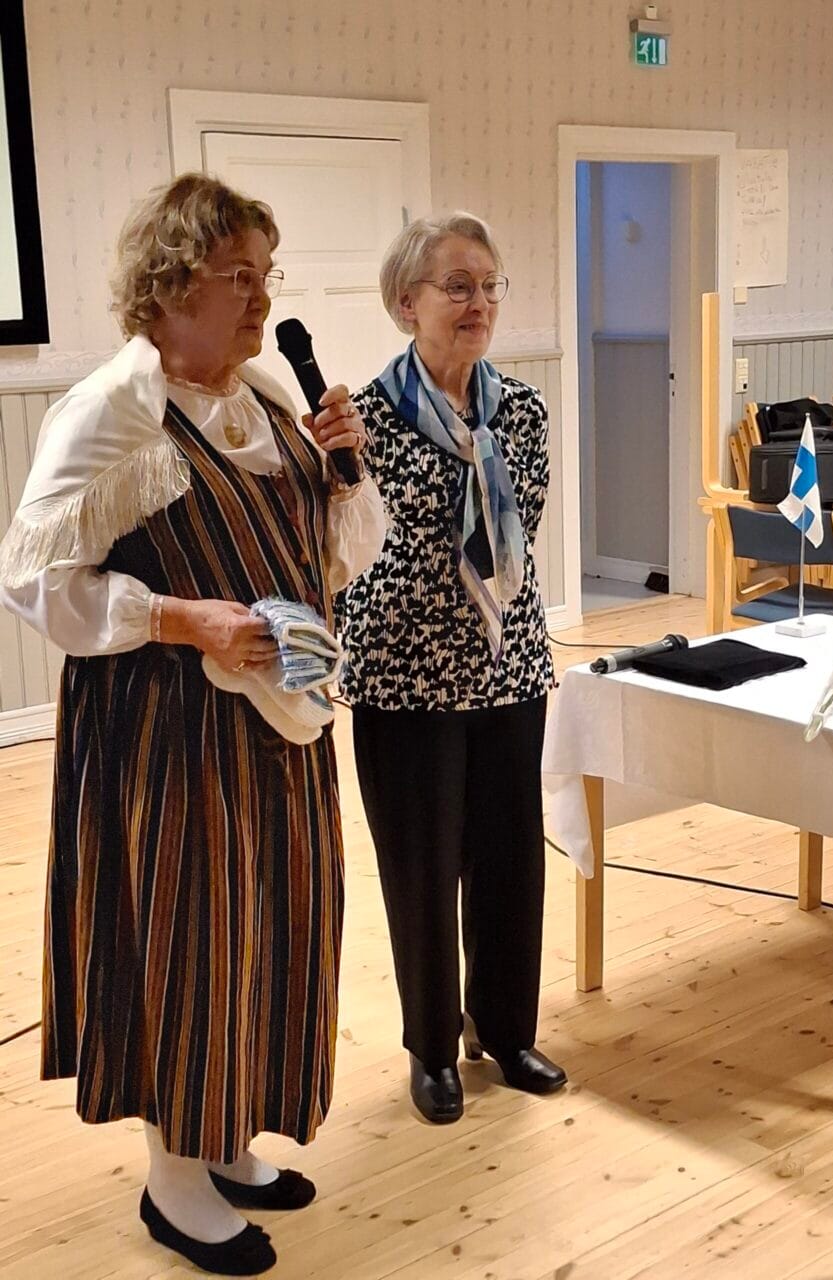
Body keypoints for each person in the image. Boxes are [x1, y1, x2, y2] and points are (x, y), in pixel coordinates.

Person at [0, 174, 385, 1275]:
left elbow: (337, 558)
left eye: (267, 274)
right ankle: (174, 1181)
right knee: (192, 941)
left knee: (273, 931)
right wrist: (178, 617)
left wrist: (343, 470)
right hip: (169, 734)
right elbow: (33, 581)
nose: (262, 297)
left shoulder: (260, 395)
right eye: (237, 276)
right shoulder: (110, 413)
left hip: (280, 720)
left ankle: (224, 1139)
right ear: (171, 286)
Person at [336, 212, 566, 1125]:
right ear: (407, 304)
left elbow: (519, 536)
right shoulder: (361, 421)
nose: (479, 303)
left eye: (489, 285)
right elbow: (347, 545)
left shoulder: (523, 411)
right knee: (422, 870)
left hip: (508, 666)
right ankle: (432, 1047)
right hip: (404, 675)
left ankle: (505, 1030)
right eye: (457, 286)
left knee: (511, 861)